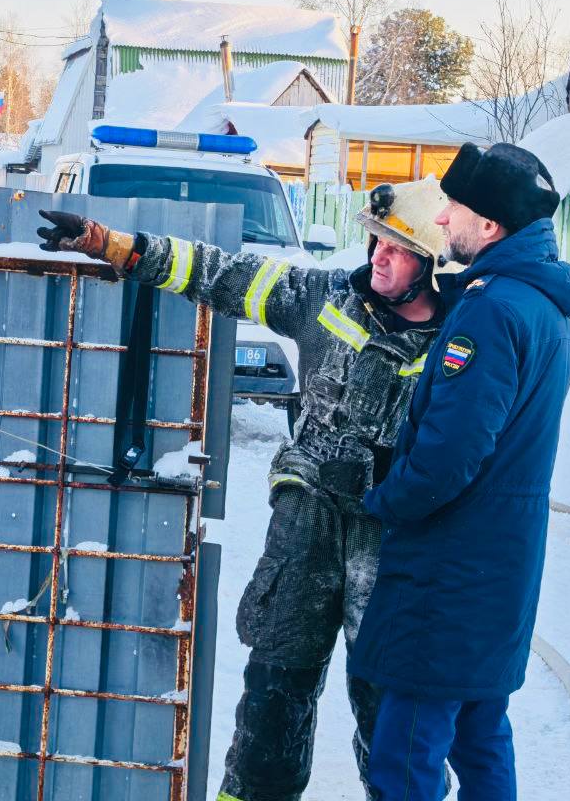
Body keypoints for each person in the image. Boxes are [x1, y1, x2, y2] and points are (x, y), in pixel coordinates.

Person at [38, 179, 455, 801]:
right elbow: (226, 275)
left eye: (398, 250)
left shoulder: (458, 344)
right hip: (305, 530)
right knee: (272, 707)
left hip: (392, 544)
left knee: (394, 714)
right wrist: (117, 246)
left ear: (433, 268)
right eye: (377, 242)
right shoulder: (326, 300)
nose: (379, 257)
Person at [348, 143, 570, 801]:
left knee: (406, 754)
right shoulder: (544, 306)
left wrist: (383, 500)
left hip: (449, 573)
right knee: (480, 736)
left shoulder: (490, 311)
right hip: (499, 567)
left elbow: (451, 454)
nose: (441, 217)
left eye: (453, 207)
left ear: (488, 225)